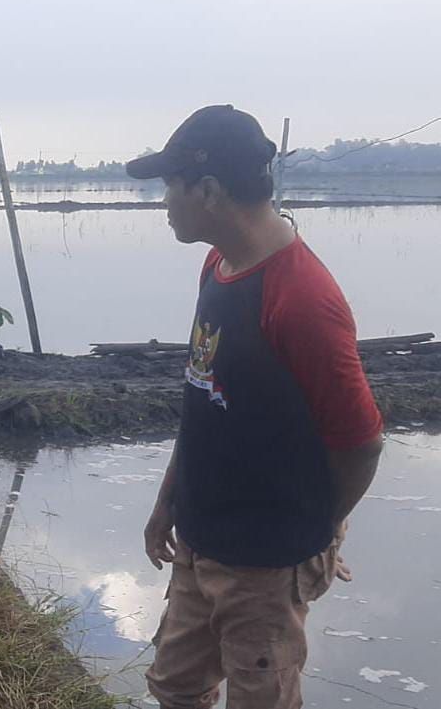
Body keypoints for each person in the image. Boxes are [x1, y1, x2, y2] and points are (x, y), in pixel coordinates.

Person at [127, 105, 384, 709]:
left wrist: (318, 531)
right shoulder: (217, 265)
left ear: (210, 191)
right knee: (175, 687)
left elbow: (361, 441)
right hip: (198, 541)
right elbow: (203, 401)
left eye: (170, 186)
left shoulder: (301, 299)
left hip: (265, 568)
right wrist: (167, 502)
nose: (164, 202)